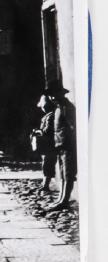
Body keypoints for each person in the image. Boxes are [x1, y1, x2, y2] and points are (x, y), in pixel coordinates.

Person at [45, 80, 77, 209]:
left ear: (60, 94)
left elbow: (73, 126)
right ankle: (60, 199)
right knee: (63, 173)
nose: (52, 98)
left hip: (68, 145)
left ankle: (64, 200)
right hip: (60, 145)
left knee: (69, 174)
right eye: (50, 95)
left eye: (54, 94)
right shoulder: (58, 108)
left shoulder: (66, 108)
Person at [31, 93, 57, 193]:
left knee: (47, 164)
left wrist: (38, 132)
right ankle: (44, 184)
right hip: (48, 145)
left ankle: (46, 184)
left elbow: (47, 131)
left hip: (49, 145)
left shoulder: (50, 116)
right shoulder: (49, 115)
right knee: (46, 164)